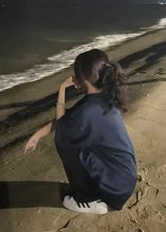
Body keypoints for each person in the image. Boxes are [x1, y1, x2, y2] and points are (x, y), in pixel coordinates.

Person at [24, 49, 137, 214]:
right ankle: (95, 192)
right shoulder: (104, 96)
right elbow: (70, 118)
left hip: (116, 188)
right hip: (124, 178)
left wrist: (62, 89)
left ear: (82, 78)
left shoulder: (88, 111)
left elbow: (63, 125)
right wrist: (38, 135)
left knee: (66, 143)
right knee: (74, 136)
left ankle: (89, 200)